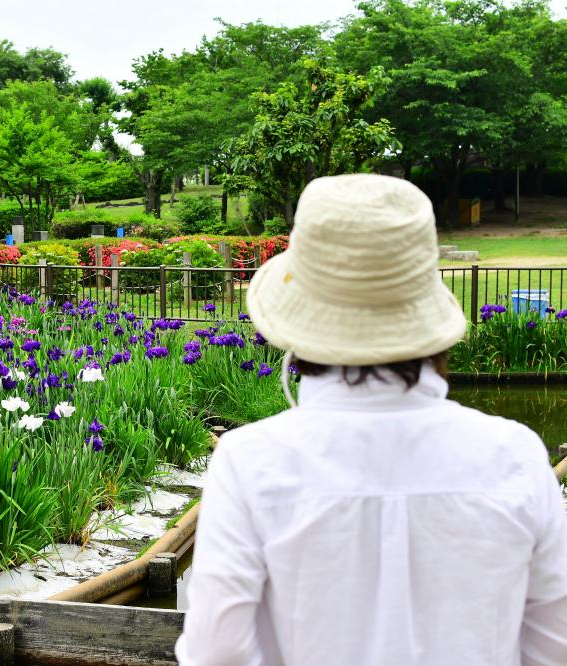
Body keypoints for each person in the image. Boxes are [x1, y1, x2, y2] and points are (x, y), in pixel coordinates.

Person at [175, 174, 567, 665]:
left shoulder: (251, 461)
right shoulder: (515, 455)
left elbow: (219, 654)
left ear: (302, 320)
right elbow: (553, 648)